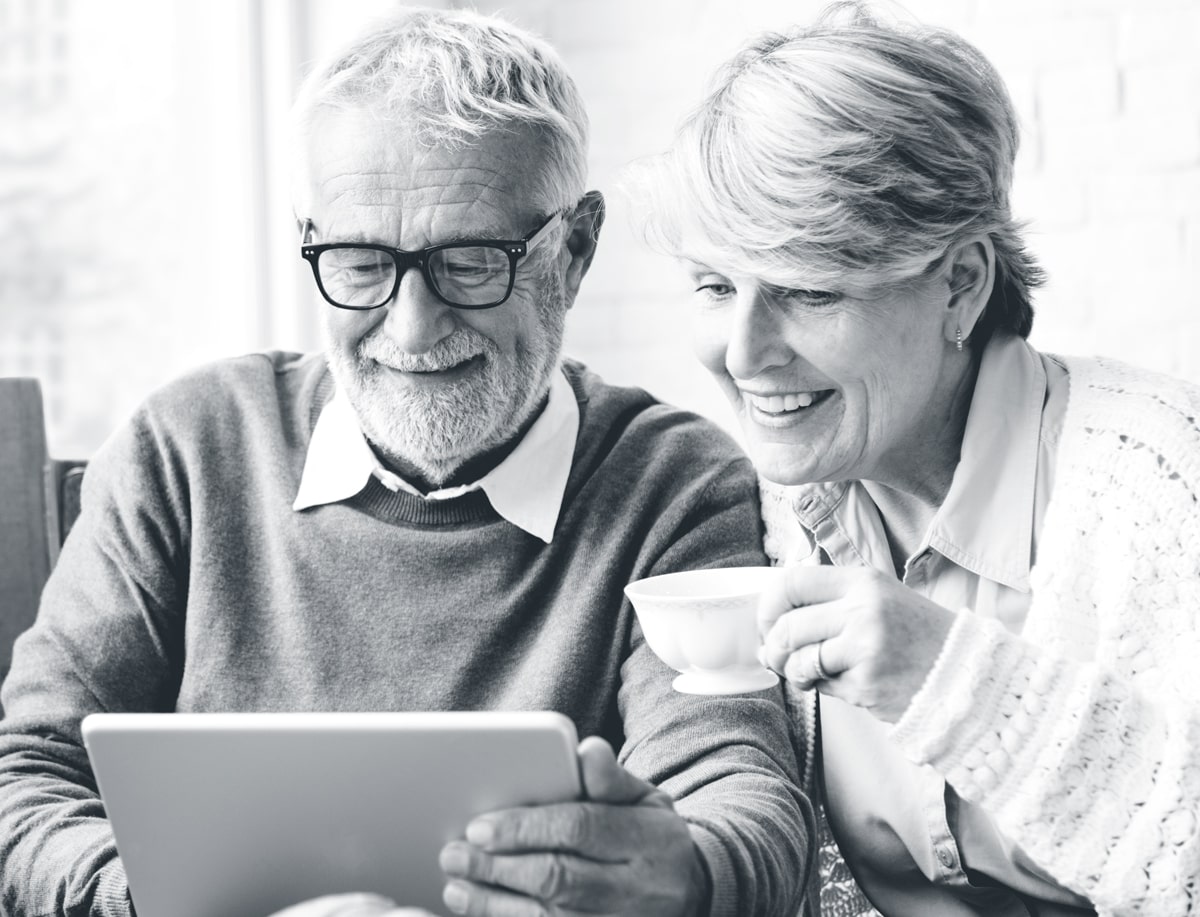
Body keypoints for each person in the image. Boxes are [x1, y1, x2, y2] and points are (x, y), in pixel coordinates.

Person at [0, 9, 813, 917]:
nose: (412, 326)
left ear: (574, 250)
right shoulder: (186, 448)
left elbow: (739, 797)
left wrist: (687, 875)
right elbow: (27, 774)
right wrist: (157, 898)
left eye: (470, 262)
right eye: (359, 263)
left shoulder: (674, 484)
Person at [638, 3, 1200, 916]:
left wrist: (963, 686)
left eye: (809, 288)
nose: (743, 354)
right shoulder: (765, 512)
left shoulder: (1159, 483)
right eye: (715, 285)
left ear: (962, 284)